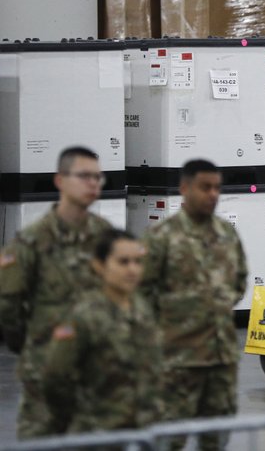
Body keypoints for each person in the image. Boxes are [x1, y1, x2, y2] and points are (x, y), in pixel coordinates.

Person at [0, 146, 112, 438]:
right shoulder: (31, 240)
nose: (93, 184)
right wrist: (35, 345)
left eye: (98, 178)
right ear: (60, 180)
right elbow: (8, 306)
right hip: (45, 377)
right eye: (84, 176)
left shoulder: (106, 237)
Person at [141, 159, 248, 451]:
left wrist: (214, 304)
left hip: (221, 359)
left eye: (216, 188)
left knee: (216, 437)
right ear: (185, 188)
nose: (212, 194)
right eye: (205, 187)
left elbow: (239, 282)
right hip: (177, 360)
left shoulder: (227, 234)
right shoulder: (162, 238)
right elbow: (140, 293)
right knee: (169, 438)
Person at [42, 229, 162, 434]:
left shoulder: (142, 309)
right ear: (99, 265)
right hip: (98, 433)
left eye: (137, 262)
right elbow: (56, 378)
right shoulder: (82, 316)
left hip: (142, 430)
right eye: (123, 262)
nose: (133, 270)